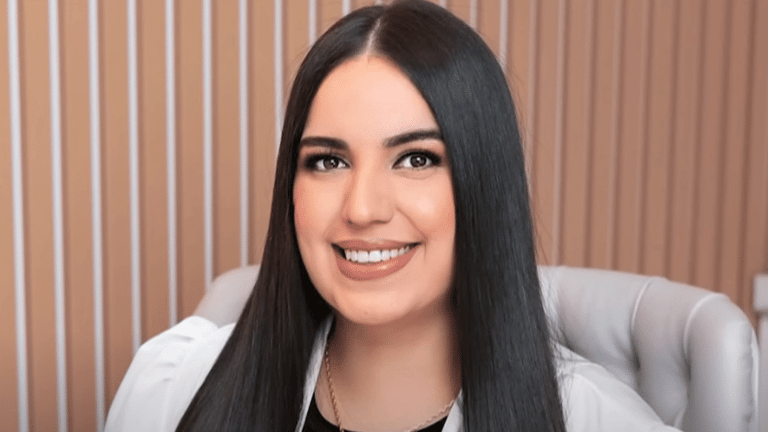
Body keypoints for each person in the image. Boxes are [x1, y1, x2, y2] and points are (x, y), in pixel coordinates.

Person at [105, 1, 682, 431]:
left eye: (416, 159)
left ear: (483, 186)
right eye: (328, 161)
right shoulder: (172, 392)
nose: (362, 209)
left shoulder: (595, 420)